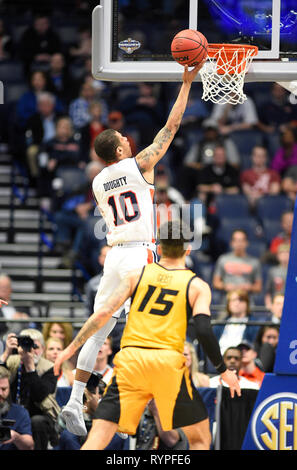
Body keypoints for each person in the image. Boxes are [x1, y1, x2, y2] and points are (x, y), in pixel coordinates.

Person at [58, 62, 207, 437]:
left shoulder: (97, 181)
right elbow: (170, 129)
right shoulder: (140, 165)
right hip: (141, 255)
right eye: (125, 137)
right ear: (121, 146)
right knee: (149, 333)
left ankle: (75, 401)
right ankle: (132, 408)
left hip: (115, 256)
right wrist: (187, 83)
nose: (130, 139)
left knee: (98, 333)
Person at [54, 220, 241, 450]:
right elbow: (203, 330)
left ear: (158, 248)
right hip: (167, 364)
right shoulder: (196, 285)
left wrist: (70, 349)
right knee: (201, 440)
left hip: (131, 362)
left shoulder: (137, 275)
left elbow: (102, 313)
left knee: (96, 440)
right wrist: (223, 371)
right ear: (188, 249)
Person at [1, 329, 60, 449]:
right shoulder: (14, 361)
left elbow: (39, 395)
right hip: (13, 410)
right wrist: (6, 353)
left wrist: (30, 367)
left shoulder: (50, 367)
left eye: (35, 346)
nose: (31, 350)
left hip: (40, 414)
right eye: (26, 345)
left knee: (37, 421)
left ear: (43, 349)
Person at [212, 289, 262, 357]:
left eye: (241, 300)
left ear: (247, 304)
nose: (236, 303)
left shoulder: (255, 325)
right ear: (228, 304)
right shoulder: (219, 325)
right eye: (233, 300)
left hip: (242, 360)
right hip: (220, 359)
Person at [212, 229, 263, 296]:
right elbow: (215, 283)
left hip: (247, 301)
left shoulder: (255, 262)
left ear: (246, 243)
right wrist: (225, 286)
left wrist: (250, 287)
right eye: (236, 241)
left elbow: (258, 287)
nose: (239, 243)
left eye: (241, 240)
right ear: (231, 243)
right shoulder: (223, 259)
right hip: (227, 300)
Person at [0, 366, 34, 451]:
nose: (0, 393)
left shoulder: (20, 412)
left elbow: (29, 446)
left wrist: (16, 437)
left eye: (4, 389)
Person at [0, 274, 30, 338]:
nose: (4, 289)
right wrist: (12, 321)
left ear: (11, 289)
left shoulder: (21, 304)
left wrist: (24, 318)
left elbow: (33, 323)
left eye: (6, 287)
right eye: (1, 287)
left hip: (22, 336)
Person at [265, 243, 289, 309]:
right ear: (278, 256)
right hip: (277, 303)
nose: (284, 255)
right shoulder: (272, 271)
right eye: (282, 253)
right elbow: (268, 292)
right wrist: (269, 305)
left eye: (287, 253)